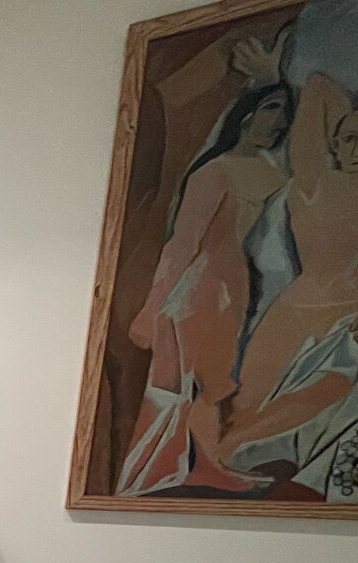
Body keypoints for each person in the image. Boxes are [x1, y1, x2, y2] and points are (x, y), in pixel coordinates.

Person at [220, 72, 358, 491]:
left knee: (332, 393)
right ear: (332, 143)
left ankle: (293, 478)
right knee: (248, 405)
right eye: (348, 137)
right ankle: (234, 473)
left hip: (345, 322)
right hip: (294, 312)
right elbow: (318, 86)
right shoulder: (312, 183)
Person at [118, 76, 293, 495]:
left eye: (286, 114)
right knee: (175, 383)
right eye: (271, 108)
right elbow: (183, 244)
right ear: (246, 114)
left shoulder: (274, 175)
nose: (279, 121)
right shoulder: (214, 172)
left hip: (236, 290)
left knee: (214, 383)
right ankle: (150, 472)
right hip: (196, 291)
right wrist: (151, 310)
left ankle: (206, 465)